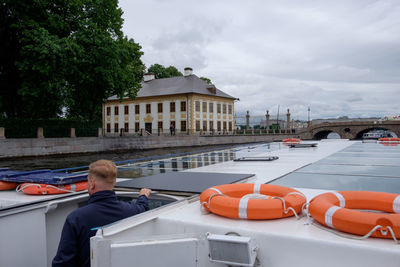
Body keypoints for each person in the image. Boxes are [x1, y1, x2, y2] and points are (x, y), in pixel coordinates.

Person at [52, 160, 151, 267]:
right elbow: (143, 208)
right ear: (114, 183)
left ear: (92, 183)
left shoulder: (76, 218)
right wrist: (143, 196)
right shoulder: (132, 211)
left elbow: (63, 263)